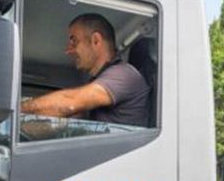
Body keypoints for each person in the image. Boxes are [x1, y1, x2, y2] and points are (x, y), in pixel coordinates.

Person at [20, 13, 150, 127]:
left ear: (96, 41)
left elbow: (69, 102)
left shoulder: (123, 74)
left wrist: (17, 111)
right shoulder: (98, 82)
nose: (67, 50)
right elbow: (63, 121)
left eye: (74, 41)